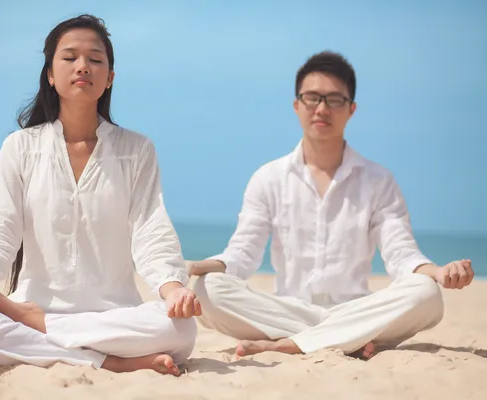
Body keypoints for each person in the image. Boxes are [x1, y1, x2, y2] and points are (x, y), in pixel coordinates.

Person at [0, 14, 200, 376]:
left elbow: (150, 228)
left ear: (109, 78)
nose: (82, 67)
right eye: (70, 57)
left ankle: (38, 325)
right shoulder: (20, 148)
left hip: (113, 315)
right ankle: (108, 361)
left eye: (95, 59)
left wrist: (173, 290)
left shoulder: (136, 149)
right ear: (49, 74)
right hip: (47, 307)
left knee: (181, 329)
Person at [187, 51, 474, 360]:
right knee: (206, 289)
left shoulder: (378, 180)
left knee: (427, 294)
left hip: (356, 308)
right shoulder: (268, 178)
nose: (322, 108)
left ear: (351, 109)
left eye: (334, 100)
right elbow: (243, 253)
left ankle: (295, 343)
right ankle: (341, 338)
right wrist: (198, 266)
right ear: (296, 105)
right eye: (312, 98)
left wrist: (439, 272)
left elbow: (401, 253)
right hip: (289, 310)